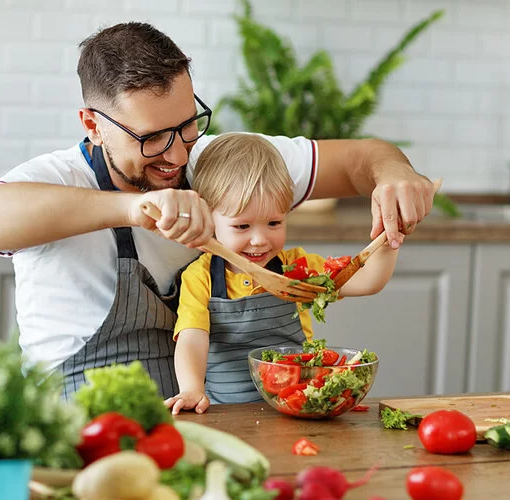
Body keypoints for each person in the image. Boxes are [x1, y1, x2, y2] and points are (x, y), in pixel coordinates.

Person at [0, 22, 436, 398]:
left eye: (187, 125)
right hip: (80, 417)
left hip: (203, 413)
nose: (178, 155)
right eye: (152, 137)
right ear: (93, 125)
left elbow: (362, 158)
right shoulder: (55, 179)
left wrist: (394, 174)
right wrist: (133, 207)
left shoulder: (225, 162)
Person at [163, 133, 399, 414]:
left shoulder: (297, 267)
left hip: (296, 407)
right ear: (208, 216)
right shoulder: (200, 277)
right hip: (226, 413)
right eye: (242, 226)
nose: (260, 240)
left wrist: (390, 237)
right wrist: (191, 389)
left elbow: (367, 281)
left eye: (274, 222)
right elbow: (192, 338)